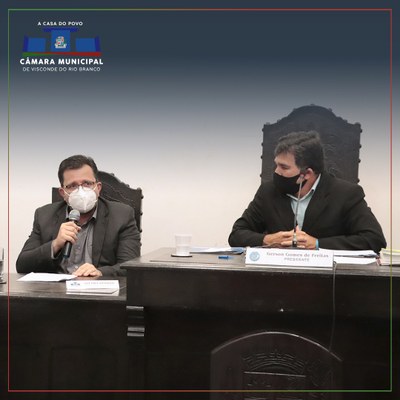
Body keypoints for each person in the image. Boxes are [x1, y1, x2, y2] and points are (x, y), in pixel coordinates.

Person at [228, 131, 386, 253]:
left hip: (329, 279)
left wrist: (317, 244)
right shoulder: (268, 191)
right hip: (277, 277)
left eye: (284, 167)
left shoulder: (346, 194)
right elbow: (237, 235)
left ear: (307, 173)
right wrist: (268, 240)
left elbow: (374, 239)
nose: (276, 172)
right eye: (276, 164)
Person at [16, 155, 141, 276]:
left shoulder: (122, 216)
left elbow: (130, 267)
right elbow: (22, 265)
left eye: (87, 183)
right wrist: (55, 244)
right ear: (63, 193)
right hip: (56, 289)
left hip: (97, 288)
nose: (81, 191)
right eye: (72, 186)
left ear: (98, 188)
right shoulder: (44, 216)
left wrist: (100, 272)